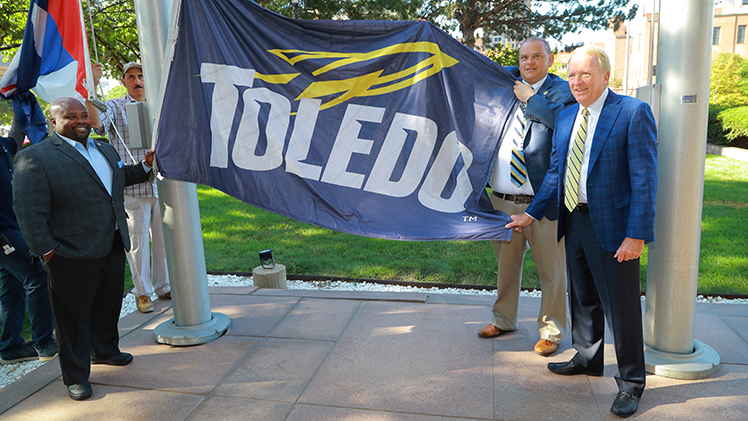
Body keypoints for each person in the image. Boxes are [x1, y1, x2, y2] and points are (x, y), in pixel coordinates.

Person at [507, 45, 657, 418]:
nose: (577, 82)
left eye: (586, 74)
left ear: (605, 76)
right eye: (572, 75)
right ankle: (588, 358)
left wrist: (636, 234)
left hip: (614, 227)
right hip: (573, 218)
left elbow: (645, 179)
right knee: (583, 297)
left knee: (620, 308)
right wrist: (532, 214)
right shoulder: (568, 115)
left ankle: (631, 382)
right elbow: (557, 172)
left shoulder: (632, 112)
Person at [12, 97, 155, 401]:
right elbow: (28, 211)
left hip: (113, 243)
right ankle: (75, 376)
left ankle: (105, 351)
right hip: (69, 253)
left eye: (83, 115)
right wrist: (48, 251)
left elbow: (119, 178)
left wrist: (145, 166)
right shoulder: (35, 157)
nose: (80, 121)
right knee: (73, 320)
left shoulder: (103, 147)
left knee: (107, 305)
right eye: (71, 116)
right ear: (54, 122)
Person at [477, 37, 575, 357]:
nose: (529, 63)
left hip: (542, 203)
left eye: (536, 57)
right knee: (506, 267)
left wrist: (531, 98)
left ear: (550, 59)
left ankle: (551, 330)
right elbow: (474, 68)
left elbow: (564, 125)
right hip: (503, 200)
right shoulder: (508, 83)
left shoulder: (562, 91)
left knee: (552, 271)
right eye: (523, 58)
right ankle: (503, 318)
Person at [86, 62, 170, 314]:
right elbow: (97, 124)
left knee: (165, 242)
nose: (137, 81)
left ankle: (163, 285)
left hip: (165, 187)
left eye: (141, 75)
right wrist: (92, 85)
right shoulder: (114, 105)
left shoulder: (161, 102)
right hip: (134, 189)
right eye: (131, 77)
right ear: (124, 82)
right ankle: (142, 293)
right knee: (138, 244)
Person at [1, 132, 57, 365]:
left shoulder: (2, 144)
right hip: (4, 231)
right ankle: (44, 342)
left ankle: (10, 347)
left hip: (11, 224)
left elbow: (15, 134)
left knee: (12, 283)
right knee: (37, 274)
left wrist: (21, 101)